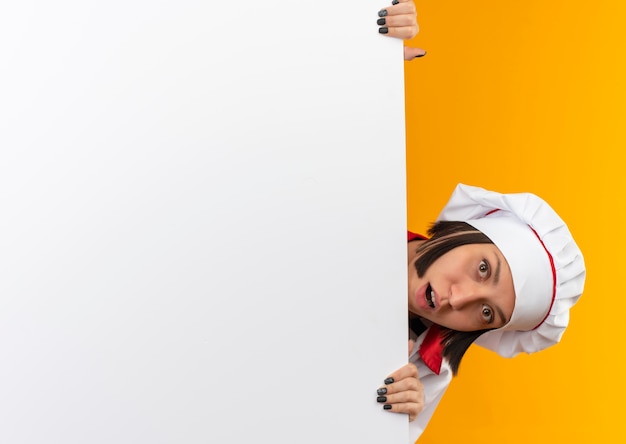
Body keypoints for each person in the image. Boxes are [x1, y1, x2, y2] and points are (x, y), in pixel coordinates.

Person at [376, 183, 586, 442]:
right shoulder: (367, 212)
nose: (459, 298)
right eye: (483, 268)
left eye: (486, 312)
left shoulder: (427, 373)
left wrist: (388, 424)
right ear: (461, 231)